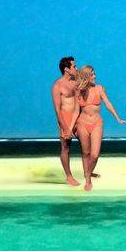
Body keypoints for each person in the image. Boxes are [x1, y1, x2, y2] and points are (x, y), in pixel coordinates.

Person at [72, 65, 126, 190]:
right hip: (82, 123)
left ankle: (87, 173)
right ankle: (88, 180)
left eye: (94, 73)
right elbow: (76, 111)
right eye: (92, 74)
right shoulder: (79, 91)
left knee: (94, 155)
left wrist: (117, 118)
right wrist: (70, 128)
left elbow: (108, 103)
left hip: (97, 123)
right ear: (86, 76)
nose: (95, 76)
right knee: (85, 153)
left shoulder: (99, 88)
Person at [51, 56, 81, 186]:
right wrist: (65, 127)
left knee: (87, 142)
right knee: (65, 147)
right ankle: (69, 176)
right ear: (66, 69)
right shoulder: (57, 86)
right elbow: (58, 110)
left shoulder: (76, 81)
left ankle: (89, 170)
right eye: (74, 66)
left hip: (77, 116)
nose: (76, 68)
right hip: (65, 117)